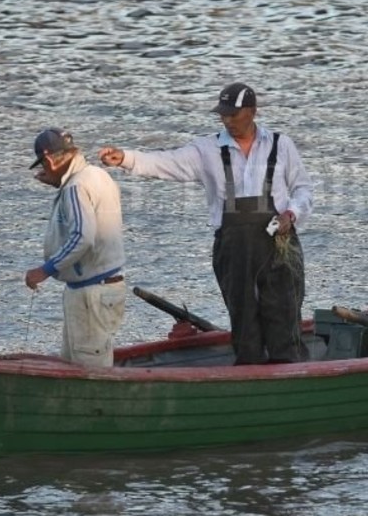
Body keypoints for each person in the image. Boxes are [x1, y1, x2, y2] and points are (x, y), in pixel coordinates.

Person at [98, 83, 315, 365]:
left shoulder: (280, 144)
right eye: (223, 115)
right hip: (232, 249)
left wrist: (291, 214)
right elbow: (166, 161)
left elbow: (303, 190)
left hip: (279, 246)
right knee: (244, 318)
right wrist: (127, 158)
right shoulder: (206, 149)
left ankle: (292, 373)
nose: (227, 120)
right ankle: (251, 378)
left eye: (234, 115)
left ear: (252, 112)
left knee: (284, 314)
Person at [23, 127, 128, 368]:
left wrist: (46, 270)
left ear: (49, 159)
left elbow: (83, 236)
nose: (43, 171)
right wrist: (57, 182)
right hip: (103, 287)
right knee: (75, 365)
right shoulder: (97, 175)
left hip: (91, 293)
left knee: (90, 371)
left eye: (44, 165)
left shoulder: (75, 187)